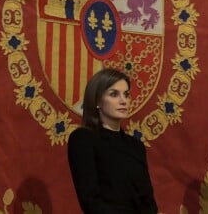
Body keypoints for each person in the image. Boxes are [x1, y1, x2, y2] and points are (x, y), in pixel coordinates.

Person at [68, 68, 158, 214]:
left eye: (126, 94)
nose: (123, 100)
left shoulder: (136, 146)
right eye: (114, 94)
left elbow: (148, 200)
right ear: (97, 100)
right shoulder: (83, 139)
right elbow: (90, 201)